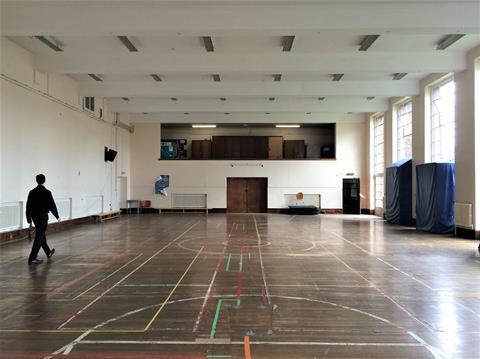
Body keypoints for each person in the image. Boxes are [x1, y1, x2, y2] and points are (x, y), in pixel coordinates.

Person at [26, 174, 60, 264]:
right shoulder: (47, 192)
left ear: (36, 181)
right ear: (44, 181)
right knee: (39, 236)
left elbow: (28, 206)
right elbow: (52, 205)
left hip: (35, 217)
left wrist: (29, 220)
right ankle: (32, 258)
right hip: (43, 217)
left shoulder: (32, 192)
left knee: (41, 235)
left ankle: (48, 252)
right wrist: (57, 216)